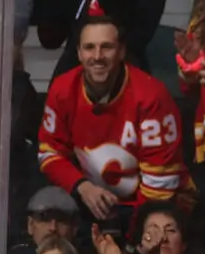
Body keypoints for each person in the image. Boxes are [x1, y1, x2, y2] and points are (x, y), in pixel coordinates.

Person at [38, 14, 193, 231]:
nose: (97, 56)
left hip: (157, 207)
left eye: (107, 47)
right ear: (79, 53)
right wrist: (82, 187)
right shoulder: (62, 90)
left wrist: (132, 242)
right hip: (90, 200)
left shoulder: (151, 96)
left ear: (121, 51)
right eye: (89, 47)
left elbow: (160, 188)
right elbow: (49, 153)